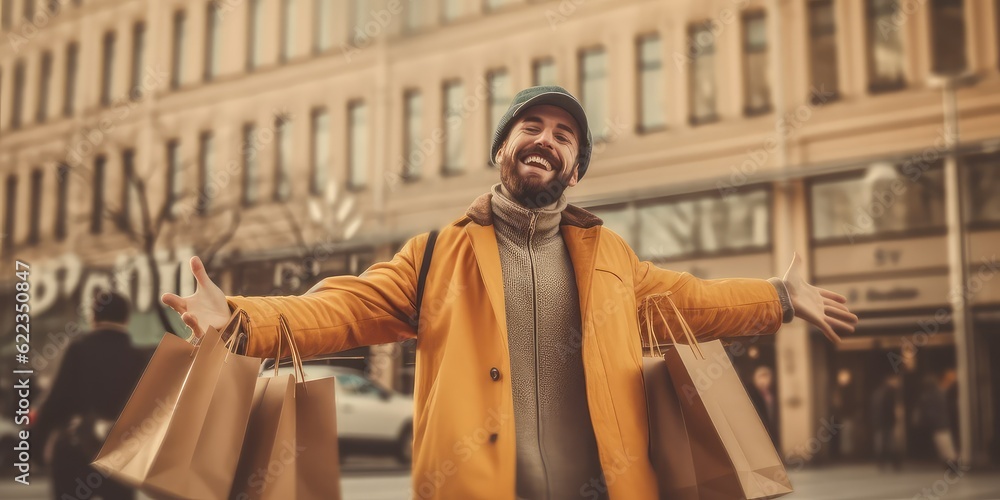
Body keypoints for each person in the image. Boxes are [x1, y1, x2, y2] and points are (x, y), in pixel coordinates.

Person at [162, 86, 859, 499]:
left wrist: (778, 295)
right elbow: (342, 306)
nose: (545, 141)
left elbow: (696, 303)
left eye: (563, 136)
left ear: (575, 169)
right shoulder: (437, 253)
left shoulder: (613, 259)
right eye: (531, 127)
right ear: (503, 148)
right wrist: (240, 319)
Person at [34, 290, 150, 500]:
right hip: (118, 458)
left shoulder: (78, 351)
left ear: (93, 317)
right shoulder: (137, 358)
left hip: (74, 452)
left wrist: (37, 445)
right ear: (126, 319)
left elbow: (55, 401)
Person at [871, 373, 903, 471]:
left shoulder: (878, 392)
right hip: (887, 422)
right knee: (891, 442)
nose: (898, 383)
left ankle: (881, 462)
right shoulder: (890, 392)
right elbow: (889, 408)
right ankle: (895, 463)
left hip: (879, 422)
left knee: (881, 443)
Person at [748, 365, 780, 450]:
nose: (763, 381)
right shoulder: (752, 396)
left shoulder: (776, 394)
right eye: (760, 377)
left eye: (766, 377)